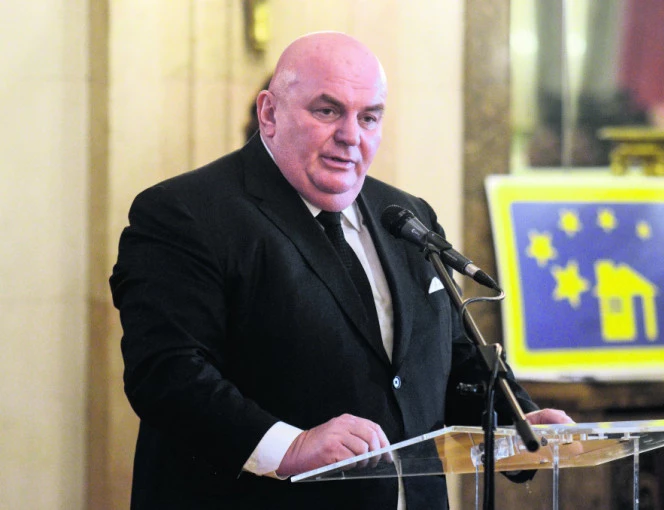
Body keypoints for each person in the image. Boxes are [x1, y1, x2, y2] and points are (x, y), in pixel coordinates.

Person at [110, 31, 572, 510]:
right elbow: (167, 374)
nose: (352, 135)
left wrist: (517, 425)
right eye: (328, 111)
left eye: (369, 117)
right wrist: (290, 446)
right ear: (269, 113)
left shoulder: (407, 217)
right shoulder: (186, 212)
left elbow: (450, 362)